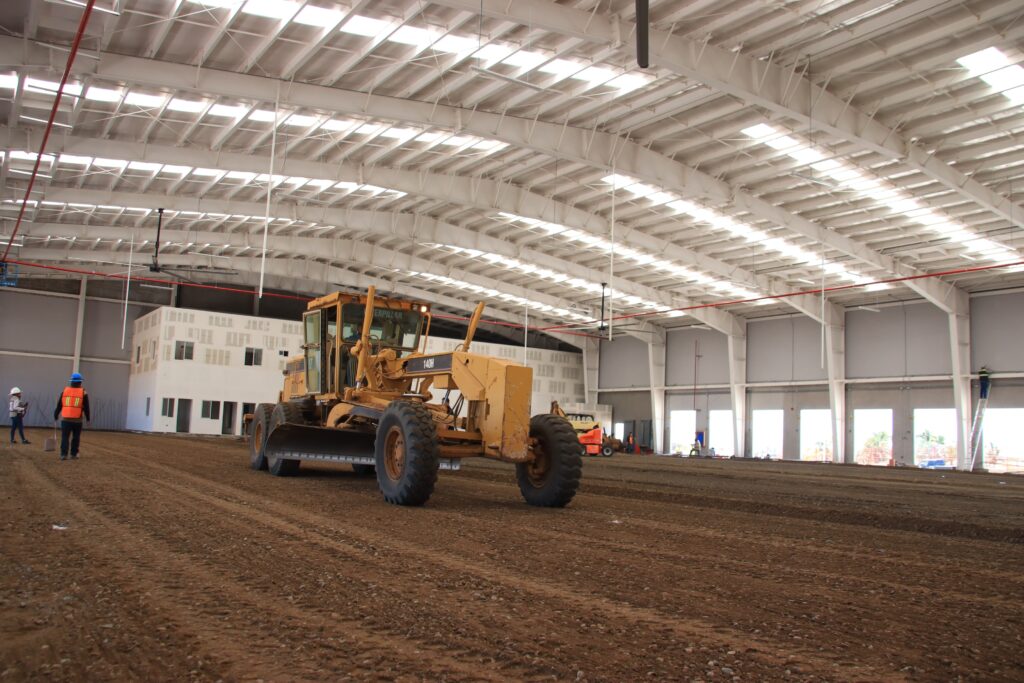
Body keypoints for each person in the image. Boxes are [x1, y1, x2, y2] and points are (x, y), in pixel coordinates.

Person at [53, 372, 90, 461]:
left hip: (65, 419)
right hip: (77, 420)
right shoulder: (83, 392)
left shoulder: (64, 391)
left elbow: (59, 405)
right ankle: (73, 454)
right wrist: (88, 418)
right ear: (80, 382)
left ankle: (63, 454)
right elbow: (87, 407)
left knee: (65, 437)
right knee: (76, 437)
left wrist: (56, 414)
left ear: (71, 382)